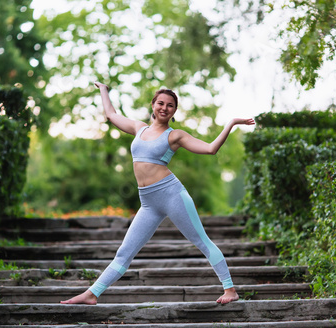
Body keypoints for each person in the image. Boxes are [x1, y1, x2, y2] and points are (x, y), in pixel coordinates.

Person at [61, 82, 255, 305]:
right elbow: (111, 114)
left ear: (174, 111)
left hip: (172, 195)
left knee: (201, 241)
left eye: (170, 105)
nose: (164, 108)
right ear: (152, 105)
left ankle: (230, 289)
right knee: (124, 252)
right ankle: (92, 293)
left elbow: (211, 149)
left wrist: (231, 123)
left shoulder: (175, 136)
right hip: (148, 203)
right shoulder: (139, 128)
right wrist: (103, 89)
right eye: (160, 103)